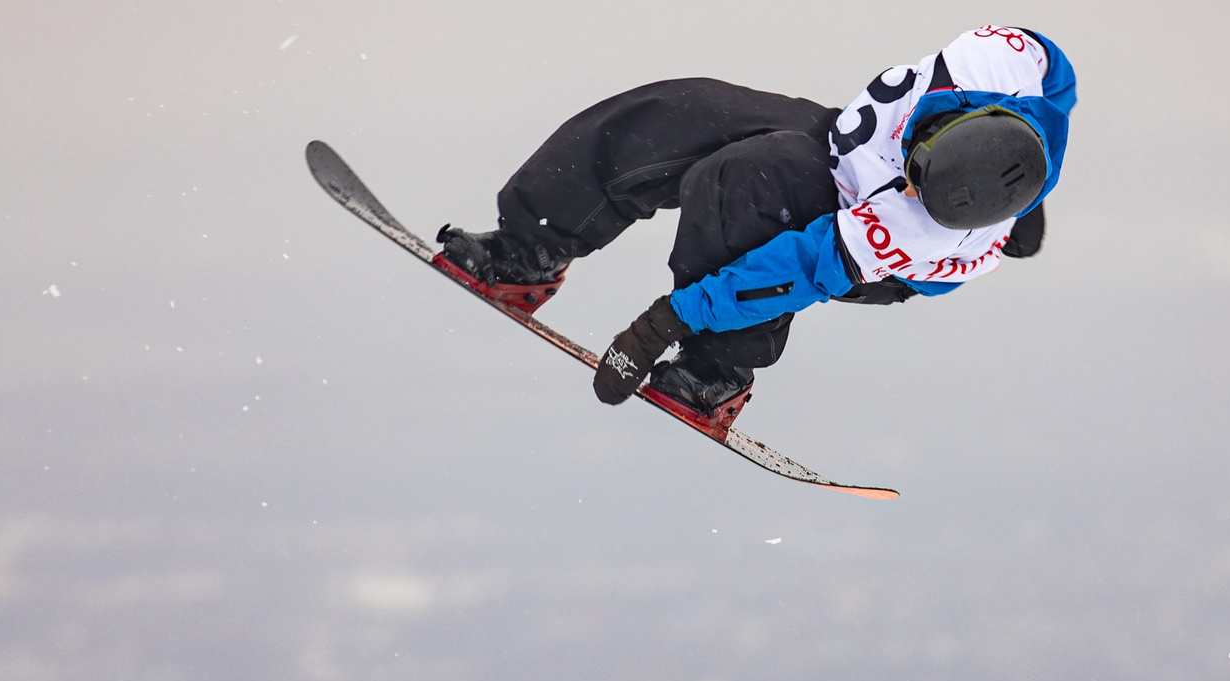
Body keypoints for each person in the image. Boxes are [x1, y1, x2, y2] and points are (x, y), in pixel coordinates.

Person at [436, 26, 1074, 423]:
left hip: (860, 247)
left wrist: (668, 321)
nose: (908, 193)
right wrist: (1027, 174)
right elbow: (1058, 85)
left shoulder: (915, 230)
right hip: (843, 143)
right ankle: (529, 251)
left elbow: (799, 269)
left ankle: (719, 371)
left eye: (917, 197)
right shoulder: (1002, 61)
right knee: (682, 112)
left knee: (751, 180)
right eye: (915, 175)